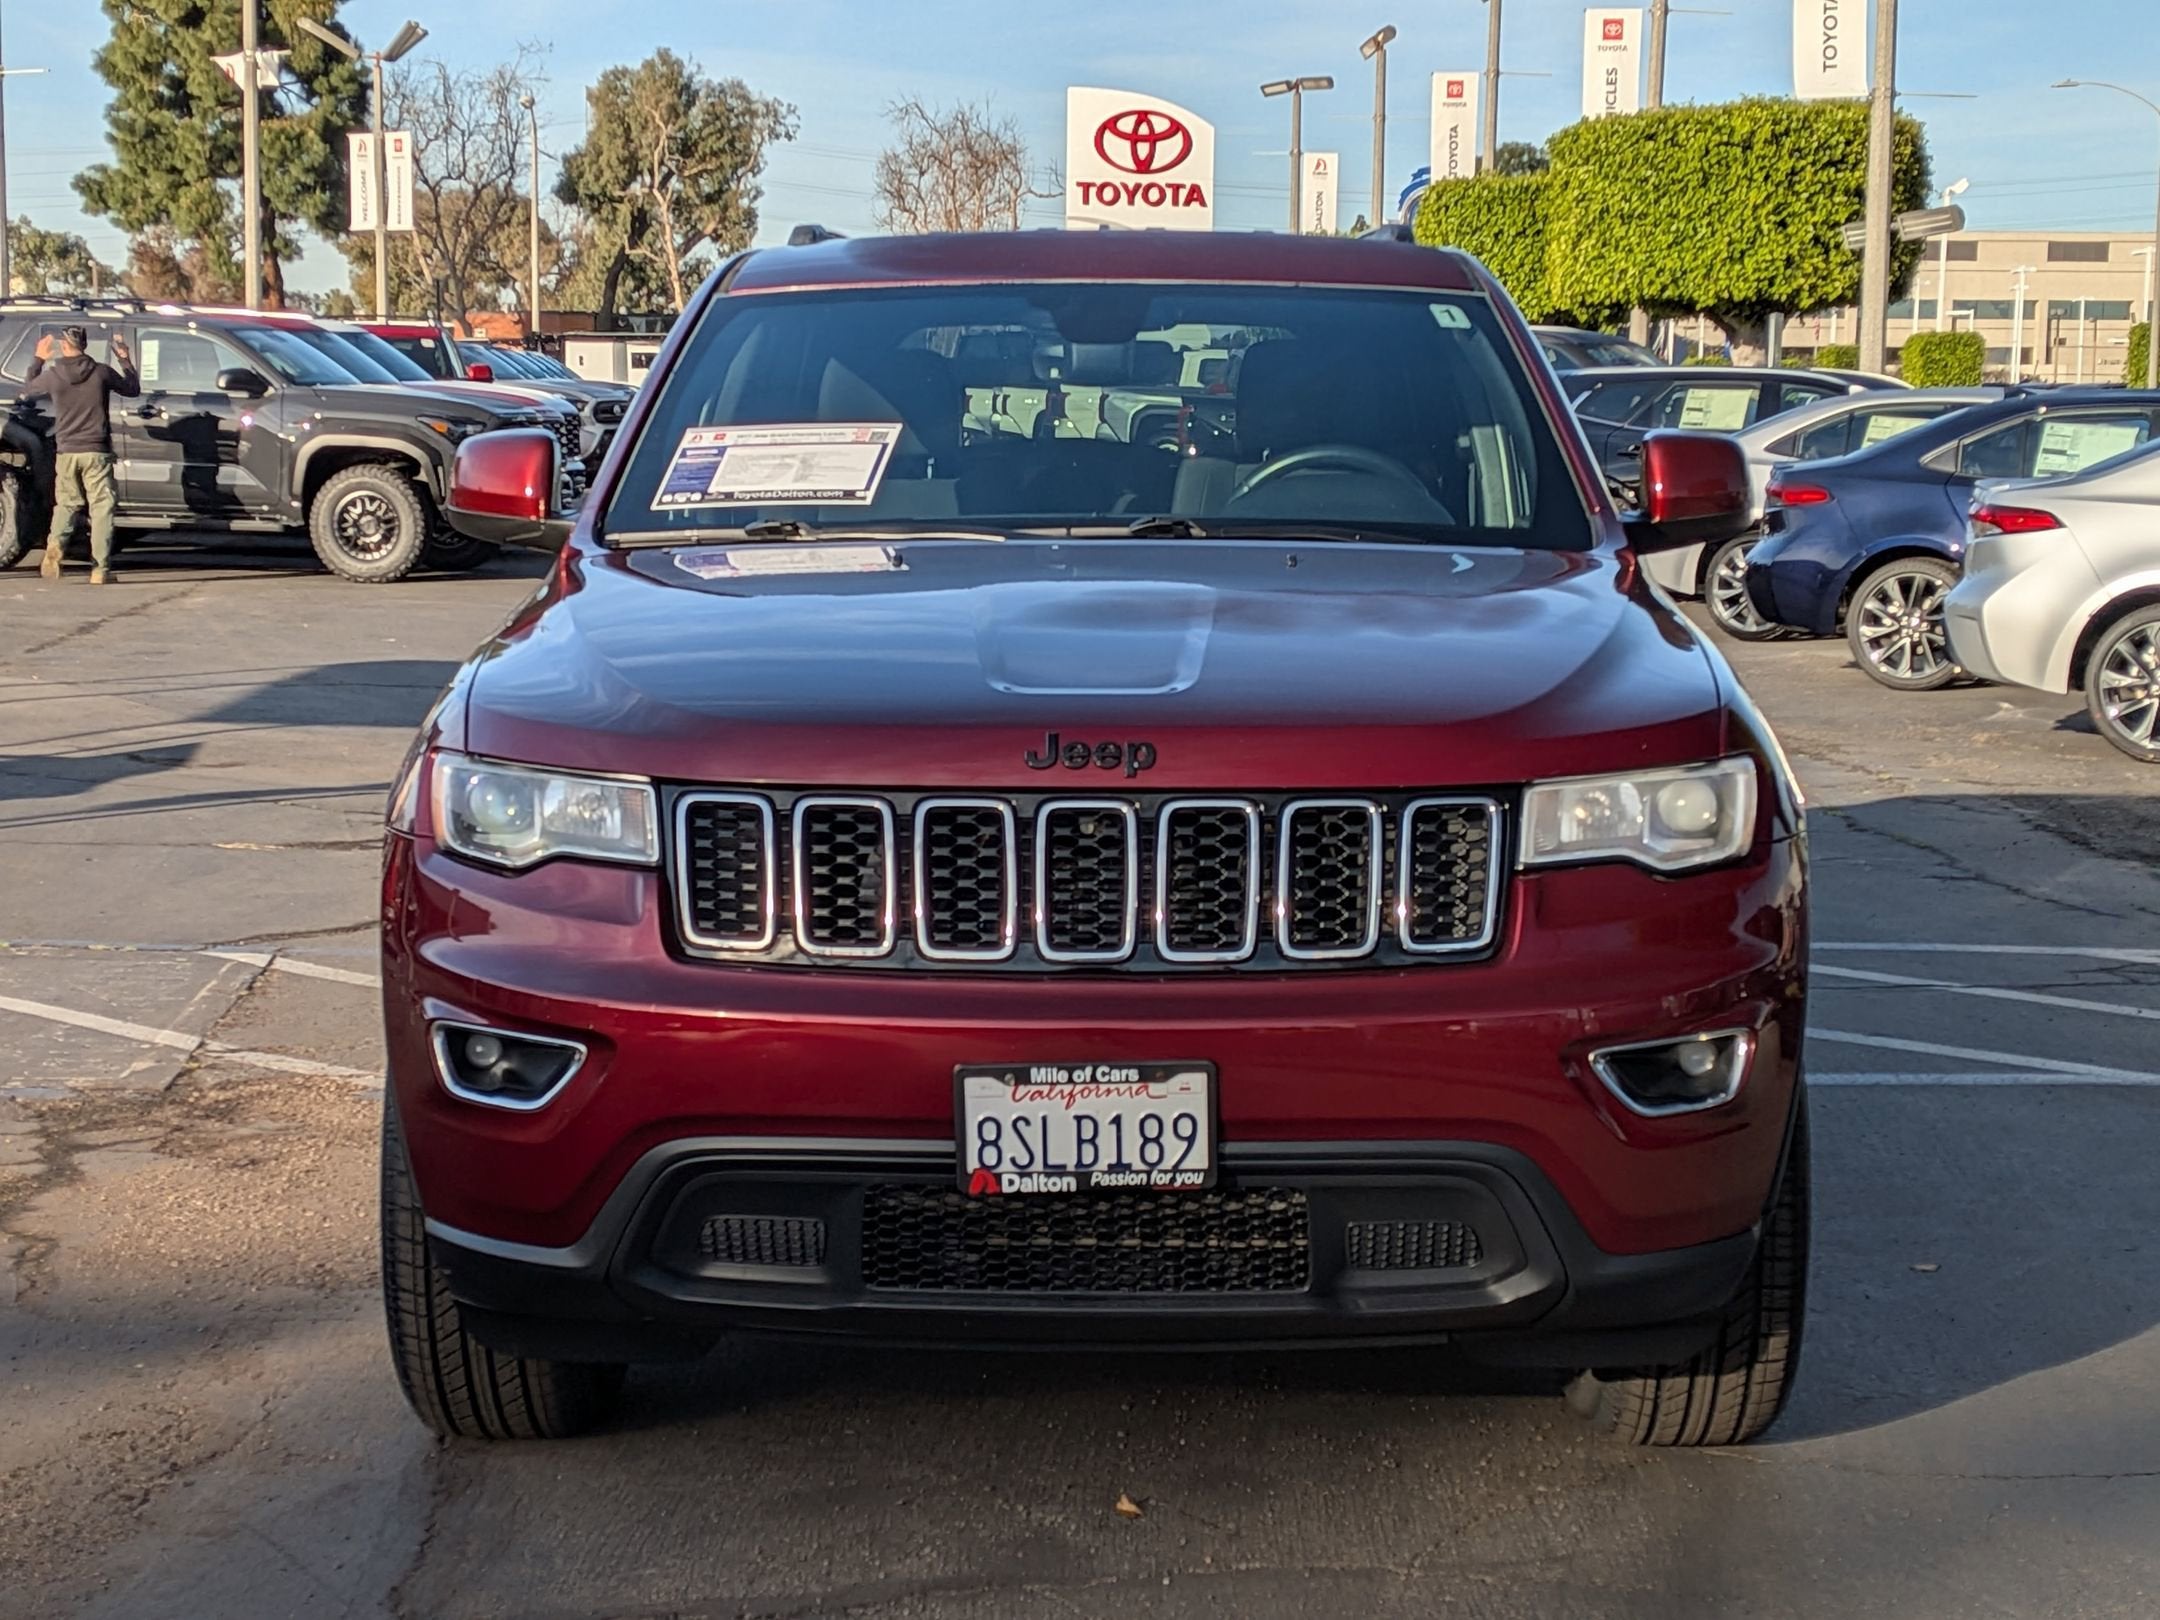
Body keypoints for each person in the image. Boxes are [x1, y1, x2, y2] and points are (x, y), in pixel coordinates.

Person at [21, 326, 140, 584]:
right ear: (84, 345)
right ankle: (100, 569)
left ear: (64, 346)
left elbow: (28, 389)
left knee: (66, 503)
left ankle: (55, 545)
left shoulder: (53, 376)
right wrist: (124, 358)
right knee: (101, 507)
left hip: (67, 451)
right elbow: (132, 389)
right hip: (96, 451)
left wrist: (39, 358)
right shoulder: (101, 372)